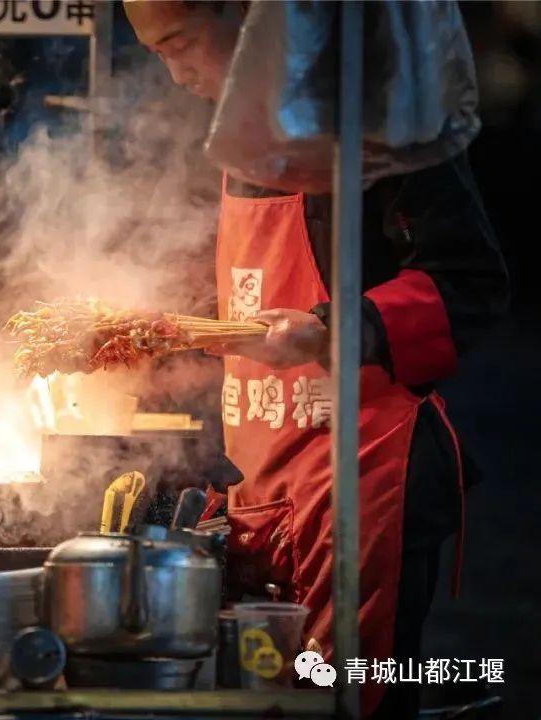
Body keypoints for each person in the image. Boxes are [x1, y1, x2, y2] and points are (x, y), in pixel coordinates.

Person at [122, 1, 509, 717]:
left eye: (179, 45)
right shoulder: (228, 136)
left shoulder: (378, 122)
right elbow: (241, 285)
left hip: (364, 484)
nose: (175, 76)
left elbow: (472, 282)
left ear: (243, 18)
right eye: (157, 56)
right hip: (268, 491)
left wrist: (332, 331)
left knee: (349, 700)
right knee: (278, 695)